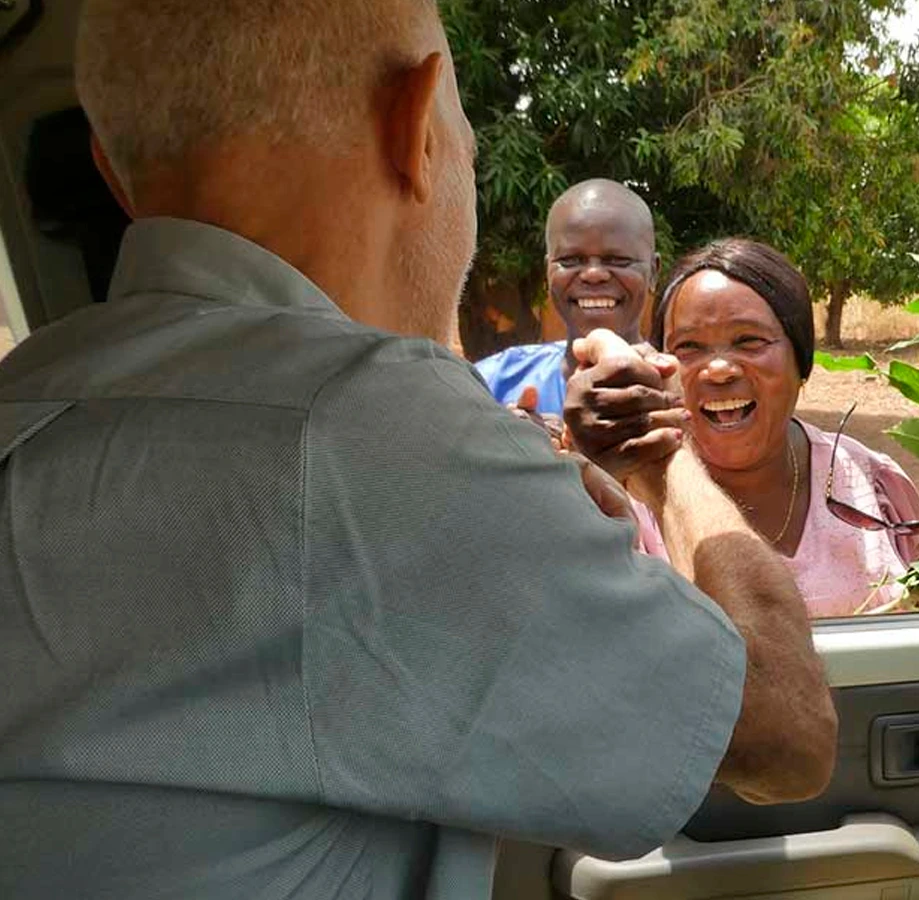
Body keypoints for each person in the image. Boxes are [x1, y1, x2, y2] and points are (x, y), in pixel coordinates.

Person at [0, 1, 835, 896]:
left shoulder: (26, 398)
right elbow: (787, 735)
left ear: (114, 174)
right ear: (416, 124)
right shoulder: (376, 442)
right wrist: (662, 455)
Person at [572, 238, 919, 618]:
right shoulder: (629, 503)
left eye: (749, 341)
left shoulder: (874, 487)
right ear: (661, 365)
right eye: (689, 347)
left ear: (801, 362)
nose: (719, 368)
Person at [474, 179, 659, 416]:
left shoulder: (684, 391)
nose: (593, 274)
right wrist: (513, 443)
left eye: (618, 260)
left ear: (653, 272)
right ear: (547, 272)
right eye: (571, 260)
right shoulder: (492, 384)